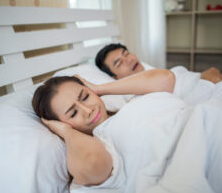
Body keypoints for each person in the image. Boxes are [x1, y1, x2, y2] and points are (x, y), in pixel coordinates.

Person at [32, 68, 175, 186]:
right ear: (61, 123)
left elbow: (167, 78)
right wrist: (66, 132)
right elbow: (92, 165)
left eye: (85, 96)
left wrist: (98, 89)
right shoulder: (100, 146)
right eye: (74, 113)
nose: (88, 110)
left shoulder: (127, 105)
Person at [95, 43, 222, 86]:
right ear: (114, 76)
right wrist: (206, 82)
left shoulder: (153, 72)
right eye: (119, 63)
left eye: (126, 53)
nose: (129, 59)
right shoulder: (136, 96)